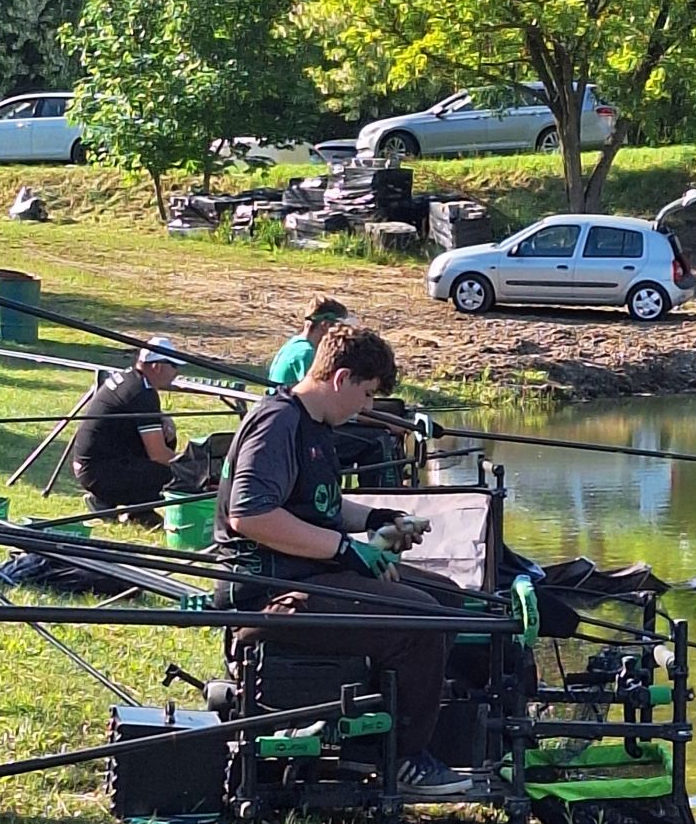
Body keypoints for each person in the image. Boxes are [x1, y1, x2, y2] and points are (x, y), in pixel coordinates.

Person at [215, 322, 470, 797]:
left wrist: (379, 517)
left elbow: (321, 507)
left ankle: (383, 731)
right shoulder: (278, 424)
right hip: (268, 598)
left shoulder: (310, 424)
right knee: (423, 620)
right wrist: (344, 549)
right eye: (367, 394)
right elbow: (250, 516)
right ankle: (403, 759)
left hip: (310, 577)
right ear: (340, 379)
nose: (367, 408)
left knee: (450, 598)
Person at [71, 338, 197, 523]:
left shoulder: (130, 378)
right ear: (157, 366)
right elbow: (158, 454)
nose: (176, 373)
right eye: (174, 366)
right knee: (172, 473)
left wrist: (162, 417)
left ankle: (120, 503)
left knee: (166, 438)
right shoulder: (143, 393)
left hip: (91, 465)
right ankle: (129, 507)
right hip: (99, 472)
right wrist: (193, 469)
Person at [267, 297, 355, 387]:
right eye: (339, 327)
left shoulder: (295, 344)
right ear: (325, 325)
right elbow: (316, 391)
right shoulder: (306, 352)